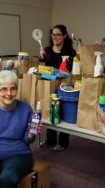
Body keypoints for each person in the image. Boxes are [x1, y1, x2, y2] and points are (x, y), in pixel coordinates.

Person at [0, 70, 41, 188]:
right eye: (3, 89)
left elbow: (27, 141)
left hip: (18, 154)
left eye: (13, 88)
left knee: (7, 181)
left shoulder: (26, 109)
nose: (9, 93)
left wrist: (30, 135)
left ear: (17, 89)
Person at [39, 24, 76, 152]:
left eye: (58, 34)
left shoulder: (71, 52)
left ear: (64, 36)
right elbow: (43, 67)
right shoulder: (47, 50)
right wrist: (42, 56)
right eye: (53, 34)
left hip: (64, 86)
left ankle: (63, 142)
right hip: (49, 85)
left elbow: (73, 70)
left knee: (64, 112)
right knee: (51, 111)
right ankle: (51, 140)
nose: (55, 37)